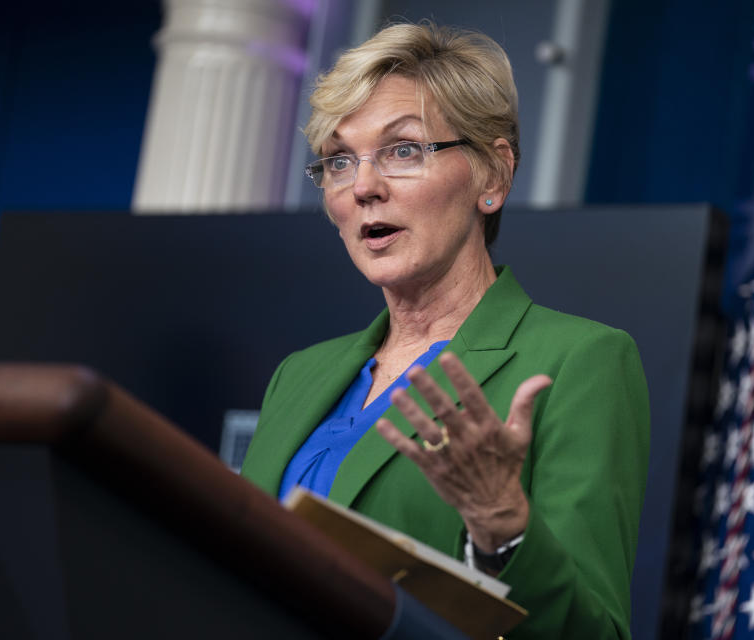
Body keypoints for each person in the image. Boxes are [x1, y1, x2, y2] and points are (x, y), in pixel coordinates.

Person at [240, 22, 649, 639]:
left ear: (493, 176)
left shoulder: (578, 361)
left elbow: (596, 632)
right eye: (339, 160)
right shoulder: (300, 374)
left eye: (404, 150)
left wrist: (504, 530)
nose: (364, 187)